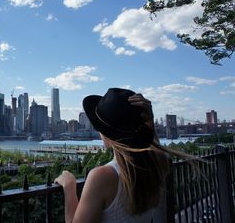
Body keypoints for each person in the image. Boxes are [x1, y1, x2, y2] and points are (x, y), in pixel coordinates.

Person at [54, 88, 187, 223]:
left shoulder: (101, 177)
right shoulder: (158, 164)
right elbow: (152, 145)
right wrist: (148, 121)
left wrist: (69, 187)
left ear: (106, 132)